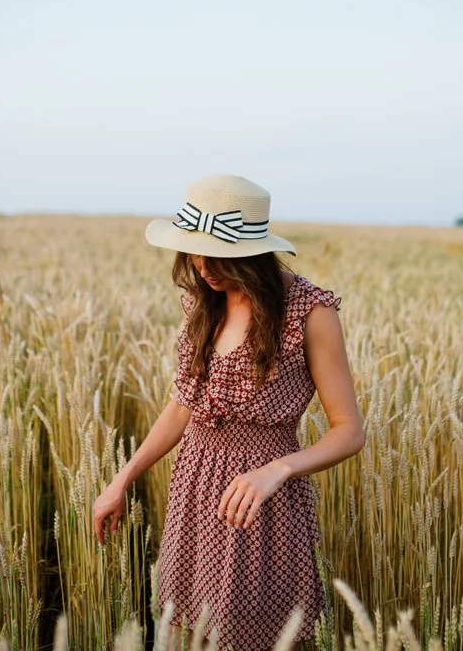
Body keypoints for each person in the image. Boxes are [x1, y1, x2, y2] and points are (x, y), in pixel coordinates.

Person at [92, 175, 364, 650]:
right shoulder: (204, 302)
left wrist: (276, 470)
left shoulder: (310, 312)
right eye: (194, 252)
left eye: (216, 256)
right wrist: (122, 479)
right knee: (186, 631)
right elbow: (183, 407)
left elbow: (349, 431)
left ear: (253, 252)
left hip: (260, 507)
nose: (203, 267)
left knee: (252, 636)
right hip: (193, 495)